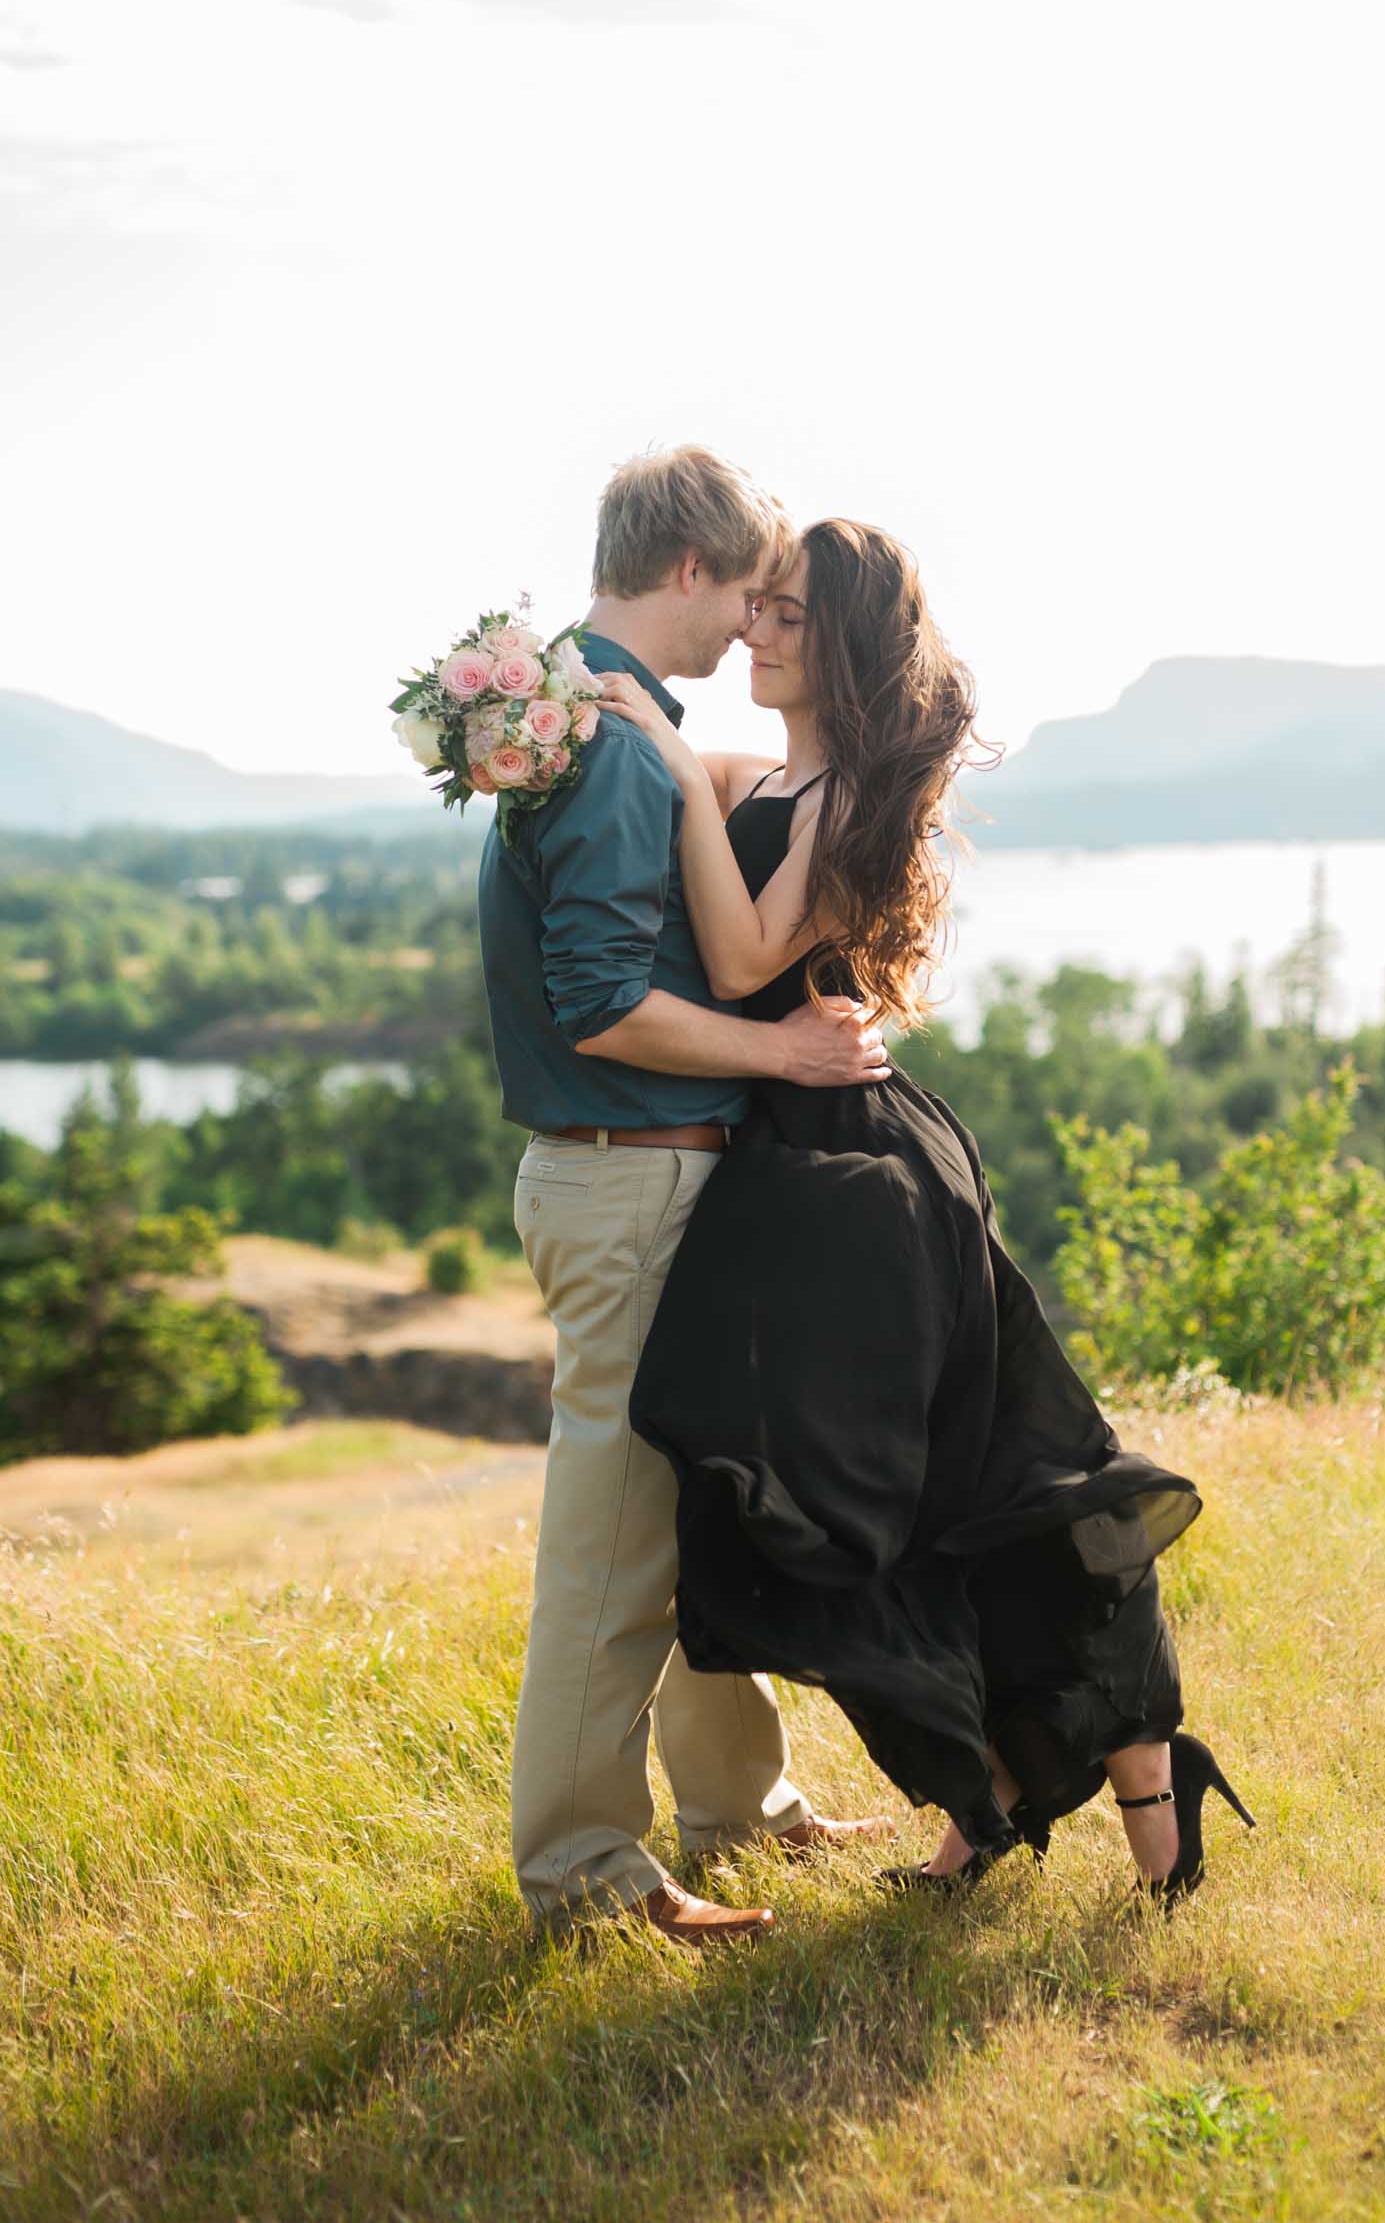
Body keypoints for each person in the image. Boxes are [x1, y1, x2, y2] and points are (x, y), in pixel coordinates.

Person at [598, 518, 1255, 1900]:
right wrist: (623, 730)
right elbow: (696, 787)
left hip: (861, 1179)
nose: (757, 631)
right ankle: (1027, 1784)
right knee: (942, 1486)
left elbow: (733, 951)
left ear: (839, 638)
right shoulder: (790, 771)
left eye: (784, 613)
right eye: (756, 607)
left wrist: (663, 761)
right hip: (818, 1165)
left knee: (966, 1483)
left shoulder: (843, 799)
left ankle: (1113, 1766)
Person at [478, 448, 894, 1948]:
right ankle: (587, 1866)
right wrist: (781, 1042)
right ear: (687, 574)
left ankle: (740, 1807)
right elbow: (597, 1001)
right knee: (617, 1548)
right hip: (628, 1178)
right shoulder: (595, 735)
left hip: (661, 1181)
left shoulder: (599, 710)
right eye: (746, 595)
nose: (748, 630)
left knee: (708, 1510)